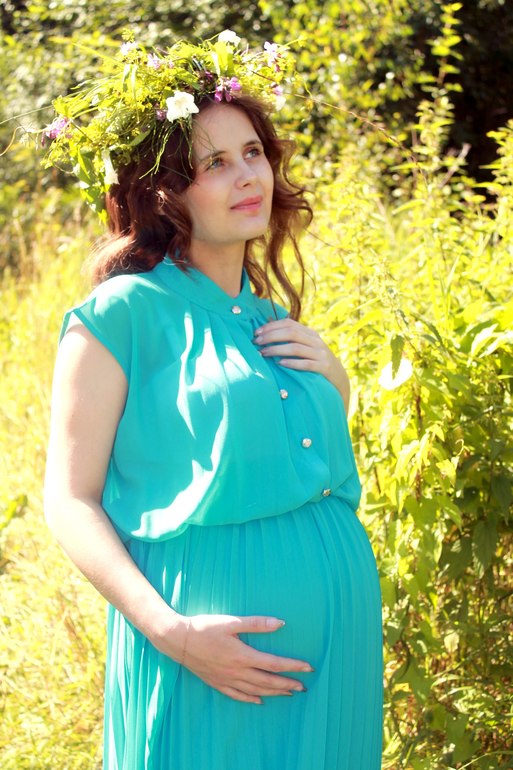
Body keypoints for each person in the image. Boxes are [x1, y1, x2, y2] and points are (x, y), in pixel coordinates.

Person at [43, 32, 383, 770]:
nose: (247, 175)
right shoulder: (122, 315)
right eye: (215, 163)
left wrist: (335, 379)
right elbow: (69, 500)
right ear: (165, 191)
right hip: (201, 657)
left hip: (339, 657)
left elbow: (300, 463)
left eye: (253, 152)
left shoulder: (268, 318)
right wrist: (171, 633)